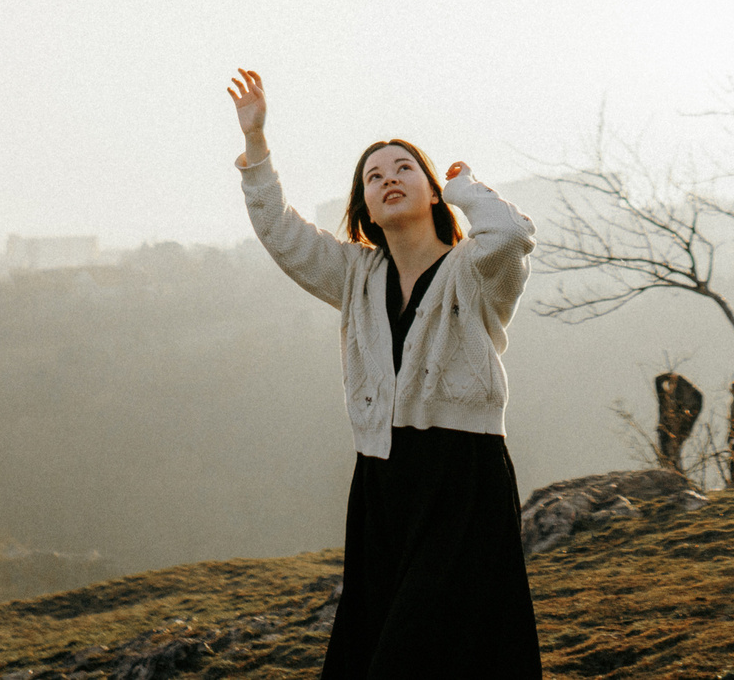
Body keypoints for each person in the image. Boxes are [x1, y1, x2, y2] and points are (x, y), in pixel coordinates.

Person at [226, 67, 543, 680]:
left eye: (403, 169)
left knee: (423, 650)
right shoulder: (355, 275)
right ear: (365, 207)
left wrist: (465, 187)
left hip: (462, 481)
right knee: (374, 646)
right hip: (380, 483)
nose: (387, 179)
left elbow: (513, 234)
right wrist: (258, 145)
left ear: (430, 192)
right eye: (373, 177)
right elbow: (280, 232)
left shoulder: (473, 270)